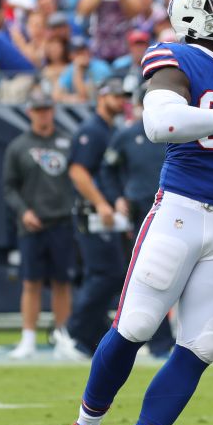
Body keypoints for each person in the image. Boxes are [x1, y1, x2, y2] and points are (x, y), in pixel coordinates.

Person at [43, 0, 213, 425]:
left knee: (202, 344)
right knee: (135, 325)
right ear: (197, 14)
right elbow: (159, 123)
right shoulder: (176, 56)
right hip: (181, 210)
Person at [3, 87, 82, 359]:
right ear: (29, 113)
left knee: (62, 283)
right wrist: (24, 211)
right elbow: (8, 187)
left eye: (47, 108)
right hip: (31, 224)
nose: (43, 114)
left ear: (53, 110)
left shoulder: (67, 141)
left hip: (61, 221)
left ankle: (63, 337)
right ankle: (28, 339)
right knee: (31, 283)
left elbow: (78, 178)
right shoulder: (18, 146)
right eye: (38, 110)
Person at [102, 89, 176, 357]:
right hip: (141, 210)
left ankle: (177, 339)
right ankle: (153, 338)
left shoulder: (177, 129)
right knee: (149, 273)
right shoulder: (126, 135)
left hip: (177, 207)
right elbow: (107, 170)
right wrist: (116, 197)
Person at [64, 76, 132, 356]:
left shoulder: (109, 129)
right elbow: (77, 171)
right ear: (102, 97)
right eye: (115, 96)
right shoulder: (92, 130)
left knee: (110, 275)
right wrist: (102, 204)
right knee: (104, 274)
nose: (120, 101)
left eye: (122, 97)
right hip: (92, 214)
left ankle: (87, 337)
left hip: (105, 214)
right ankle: (72, 333)